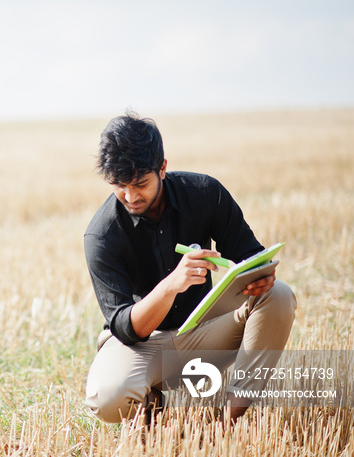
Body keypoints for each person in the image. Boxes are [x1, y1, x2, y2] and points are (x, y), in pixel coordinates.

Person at [83, 112, 296, 424]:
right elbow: (128, 328)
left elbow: (250, 255)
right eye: (119, 186)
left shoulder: (205, 193)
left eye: (140, 183)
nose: (130, 196)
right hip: (142, 345)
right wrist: (172, 284)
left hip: (206, 333)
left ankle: (227, 420)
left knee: (278, 295)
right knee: (107, 399)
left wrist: (260, 277)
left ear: (163, 167)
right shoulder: (101, 235)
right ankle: (151, 399)